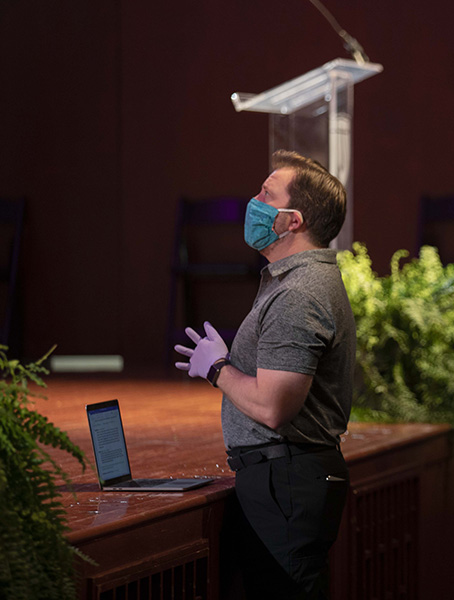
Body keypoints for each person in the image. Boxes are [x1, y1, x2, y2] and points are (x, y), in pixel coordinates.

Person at [174, 150, 356, 599]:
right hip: (287, 479)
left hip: (288, 481)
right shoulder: (297, 281)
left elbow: (274, 407)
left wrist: (217, 368)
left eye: (265, 194)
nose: (252, 201)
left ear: (292, 220)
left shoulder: (299, 293)